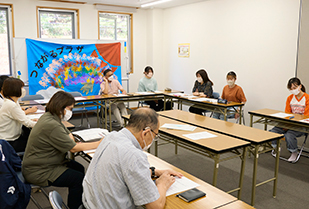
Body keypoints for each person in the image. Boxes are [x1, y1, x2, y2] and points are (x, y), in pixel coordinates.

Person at [83, 108, 182, 209]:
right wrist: (162, 184)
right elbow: (155, 206)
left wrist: (153, 172)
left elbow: (123, 170)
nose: (153, 139)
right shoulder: (134, 155)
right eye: (155, 135)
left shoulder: (110, 136)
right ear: (146, 133)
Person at [22, 91, 103, 209]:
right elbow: (74, 148)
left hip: (45, 162)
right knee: (77, 178)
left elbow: (67, 133)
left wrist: (70, 139)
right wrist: (99, 143)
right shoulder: (51, 124)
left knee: (79, 168)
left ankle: (79, 200)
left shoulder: (50, 117)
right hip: (39, 170)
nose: (71, 112)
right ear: (61, 107)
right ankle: (75, 206)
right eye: (70, 108)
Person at [270, 77, 309, 162]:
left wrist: (290, 125)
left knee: (289, 135)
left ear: (300, 86)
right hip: (290, 123)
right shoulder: (290, 98)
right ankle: (276, 148)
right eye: (291, 89)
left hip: (302, 125)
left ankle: (294, 152)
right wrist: (287, 124)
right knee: (273, 131)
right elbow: (287, 113)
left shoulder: (307, 98)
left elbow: (306, 116)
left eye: (294, 88)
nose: (293, 90)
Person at [0, 78, 37, 152]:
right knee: (37, 143)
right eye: (21, 87)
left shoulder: (12, 101)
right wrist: (43, 123)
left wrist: (32, 120)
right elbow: (27, 123)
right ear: (15, 89)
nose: (23, 90)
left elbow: (20, 117)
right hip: (9, 142)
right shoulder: (11, 105)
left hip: (11, 138)